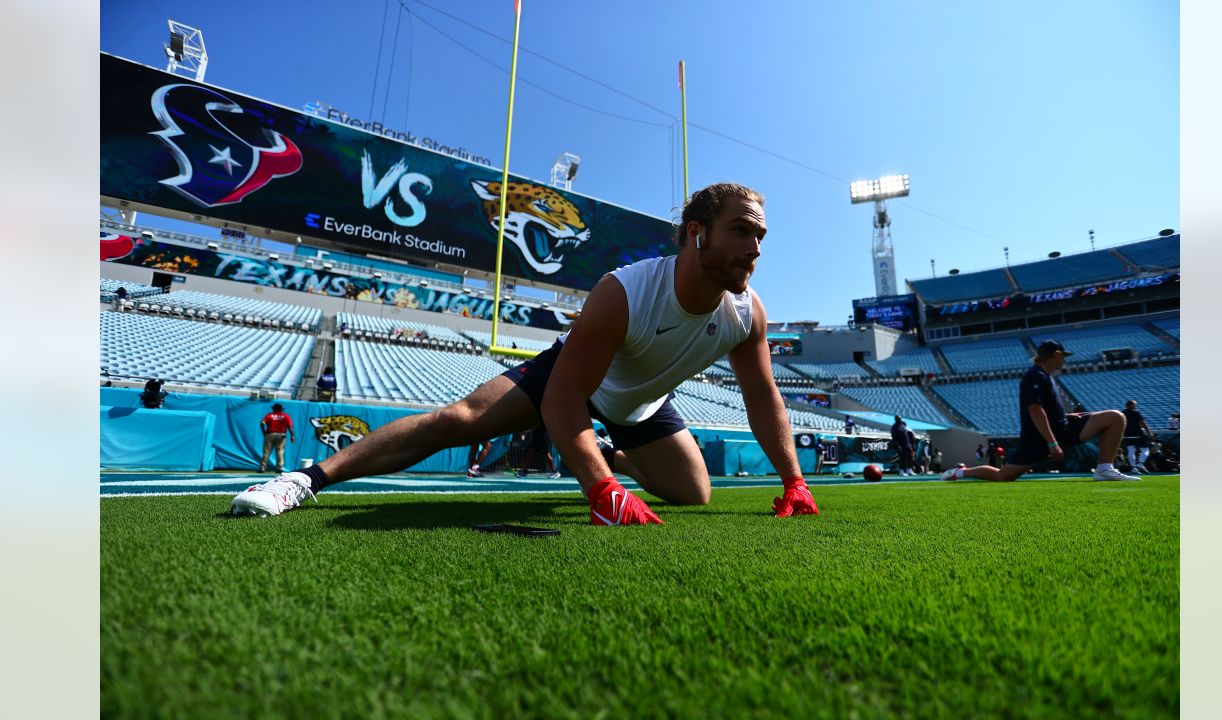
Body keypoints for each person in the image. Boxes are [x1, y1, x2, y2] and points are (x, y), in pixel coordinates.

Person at [230, 183, 819, 523]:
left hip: (640, 404)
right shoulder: (625, 293)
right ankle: (302, 480)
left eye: (760, 237)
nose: (755, 248)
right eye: (743, 231)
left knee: (696, 492)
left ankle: (610, 454)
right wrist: (599, 491)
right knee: (457, 421)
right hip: (575, 381)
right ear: (697, 233)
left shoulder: (747, 312)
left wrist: (793, 480)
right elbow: (565, 393)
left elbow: (763, 397)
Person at [943, 341, 1138, 482]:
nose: (1064, 359)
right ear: (1055, 354)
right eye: (1063, 355)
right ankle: (961, 472)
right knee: (1003, 475)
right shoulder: (1035, 375)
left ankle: (1105, 469)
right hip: (1041, 438)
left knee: (1115, 417)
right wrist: (1052, 442)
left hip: (1060, 428)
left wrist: (1067, 416)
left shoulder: (1044, 375)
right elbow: (1035, 410)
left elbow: (1046, 409)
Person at [259, 403, 296, 474]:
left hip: (270, 435)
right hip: (281, 435)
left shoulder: (269, 415)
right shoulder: (286, 416)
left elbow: (262, 423)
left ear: (274, 409)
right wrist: (292, 436)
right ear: (281, 409)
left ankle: (262, 467)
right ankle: (279, 468)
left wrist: (264, 432)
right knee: (280, 452)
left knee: (266, 452)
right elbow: (290, 426)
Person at [1121, 399, 1155, 473]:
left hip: (1127, 435)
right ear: (1130, 405)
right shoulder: (1136, 412)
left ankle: (1133, 468)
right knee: (1145, 450)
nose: (1135, 406)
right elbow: (1143, 423)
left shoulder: (1122, 413)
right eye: (1134, 405)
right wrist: (1149, 433)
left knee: (1131, 451)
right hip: (1138, 435)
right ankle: (1139, 465)